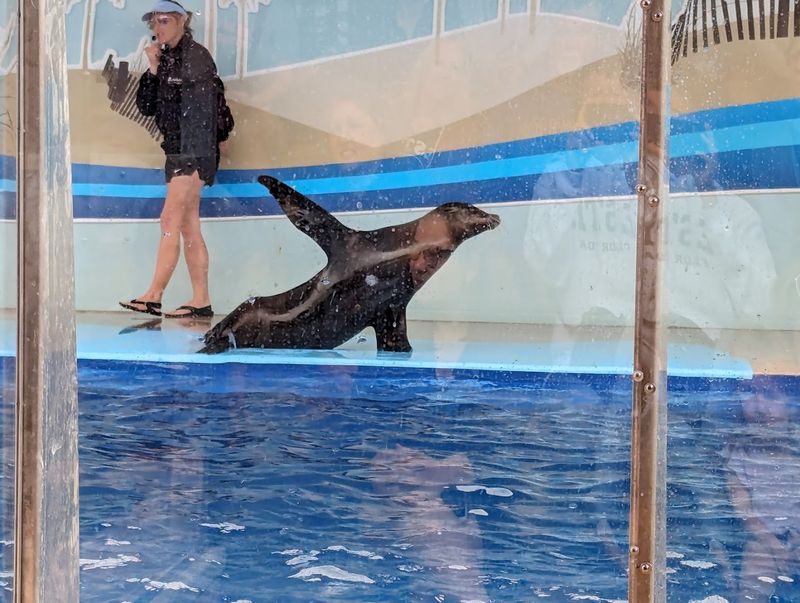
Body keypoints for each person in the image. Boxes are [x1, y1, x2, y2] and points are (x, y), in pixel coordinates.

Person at [120, 0, 231, 319]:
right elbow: (147, 107)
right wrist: (153, 70)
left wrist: (200, 156)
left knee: (170, 219)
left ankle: (153, 295)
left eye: (164, 21)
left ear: (183, 22)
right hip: (179, 150)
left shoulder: (196, 57)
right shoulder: (165, 59)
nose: (158, 28)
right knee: (187, 224)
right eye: (154, 23)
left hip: (193, 151)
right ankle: (201, 300)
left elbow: (202, 111)